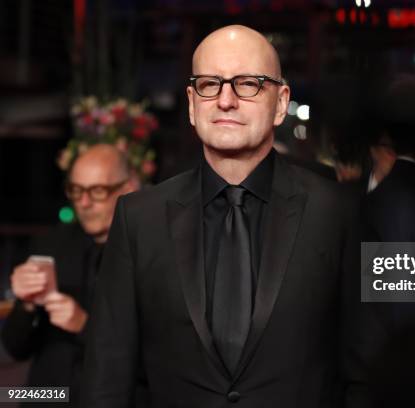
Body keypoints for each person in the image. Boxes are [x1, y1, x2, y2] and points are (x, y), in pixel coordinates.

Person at [82, 25, 366, 408]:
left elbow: (367, 373)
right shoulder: (138, 219)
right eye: (210, 84)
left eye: (248, 83)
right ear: (191, 103)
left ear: (281, 102)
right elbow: (107, 378)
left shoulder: (340, 212)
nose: (226, 100)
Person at [1, 144, 139, 407]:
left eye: (97, 191)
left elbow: (157, 360)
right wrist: (27, 305)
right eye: (76, 190)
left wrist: (85, 326)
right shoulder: (51, 245)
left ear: (127, 188)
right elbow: (15, 348)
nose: (83, 203)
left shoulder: (148, 251)